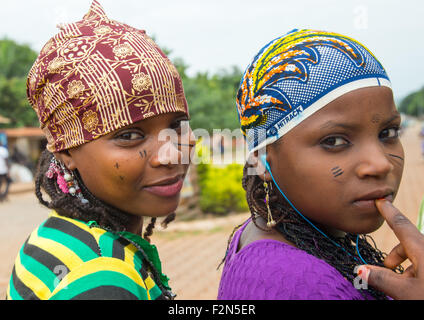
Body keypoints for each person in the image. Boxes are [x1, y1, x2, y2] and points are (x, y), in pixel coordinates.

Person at [7, 0, 194, 300]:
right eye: (130, 134)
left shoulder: (52, 237)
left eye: (177, 125)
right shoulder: (103, 277)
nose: (171, 153)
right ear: (66, 150)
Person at [217, 29, 408, 300]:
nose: (379, 165)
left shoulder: (279, 231)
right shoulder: (297, 285)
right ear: (262, 160)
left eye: (387, 133)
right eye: (334, 141)